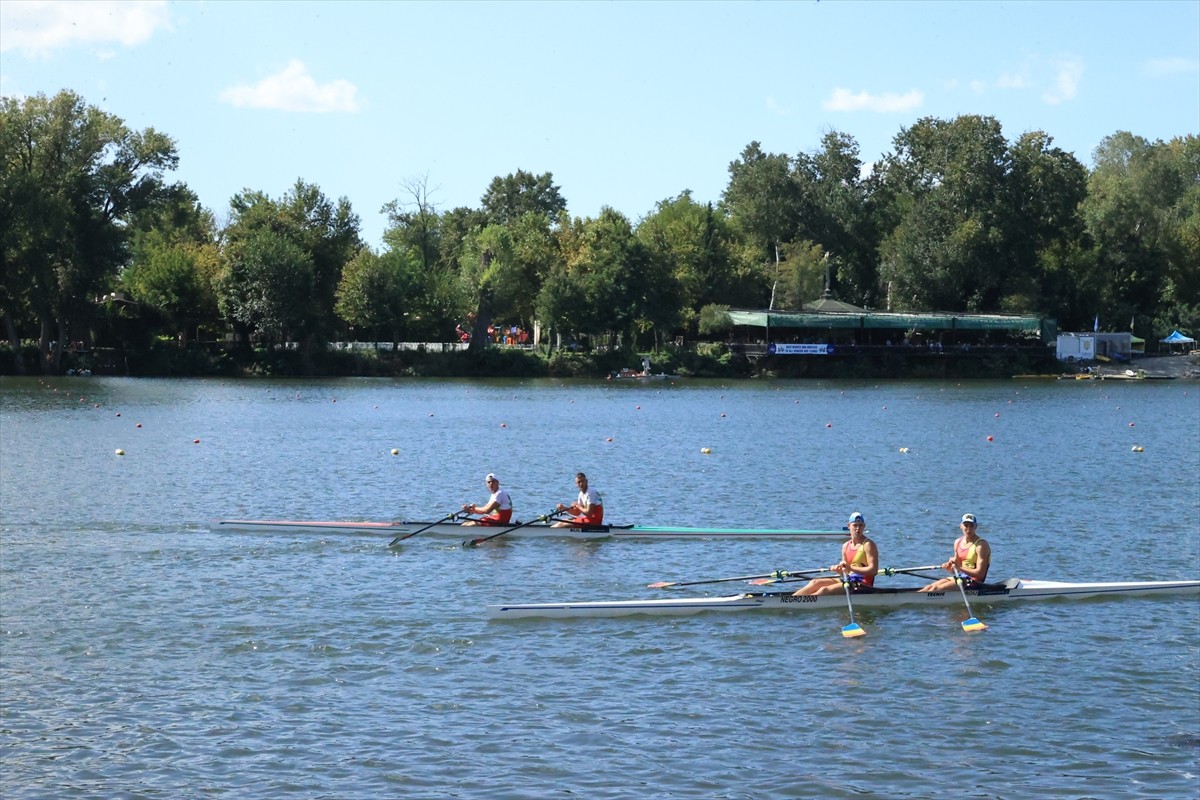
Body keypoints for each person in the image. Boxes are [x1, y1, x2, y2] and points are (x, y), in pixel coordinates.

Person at [792, 511, 879, 596]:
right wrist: (839, 571)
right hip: (848, 580)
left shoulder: (868, 545)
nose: (857, 529)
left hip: (862, 584)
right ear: (849, 526)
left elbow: (873, 570)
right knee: (815, 582)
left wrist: (851, 567)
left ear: (864, 526)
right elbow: (847, 572)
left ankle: (803, 603)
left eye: (860, 526)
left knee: (824, 590)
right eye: (855, 525)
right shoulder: (845, 546)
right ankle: (790, 600)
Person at [918, 513, 991, 592]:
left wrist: (959, 567)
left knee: (935, 589)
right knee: (929, 588)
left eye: (971, 526)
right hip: (960, 578)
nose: (968, 529)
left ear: (976, 527)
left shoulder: (981, 545)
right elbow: (955, 570)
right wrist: (949, 567)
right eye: (966, 525)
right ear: (961, 526)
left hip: (974, 582)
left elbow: (980, 574)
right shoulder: (957, 542)